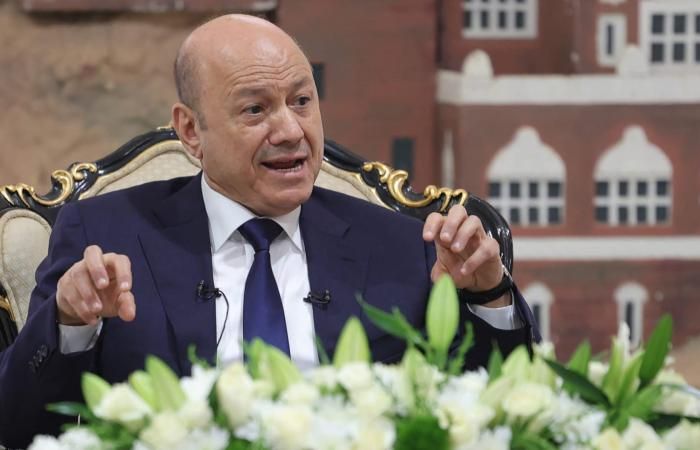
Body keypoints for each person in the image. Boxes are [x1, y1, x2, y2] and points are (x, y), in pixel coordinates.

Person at [0, 14, 538, 447]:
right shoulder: (105, 233)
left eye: (302, 101)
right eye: (255, 109)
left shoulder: (401, 244)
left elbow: (502, 412)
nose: (290, 130)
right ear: (191, 130)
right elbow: (17, 423)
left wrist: (487, 295)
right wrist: (69, 322)